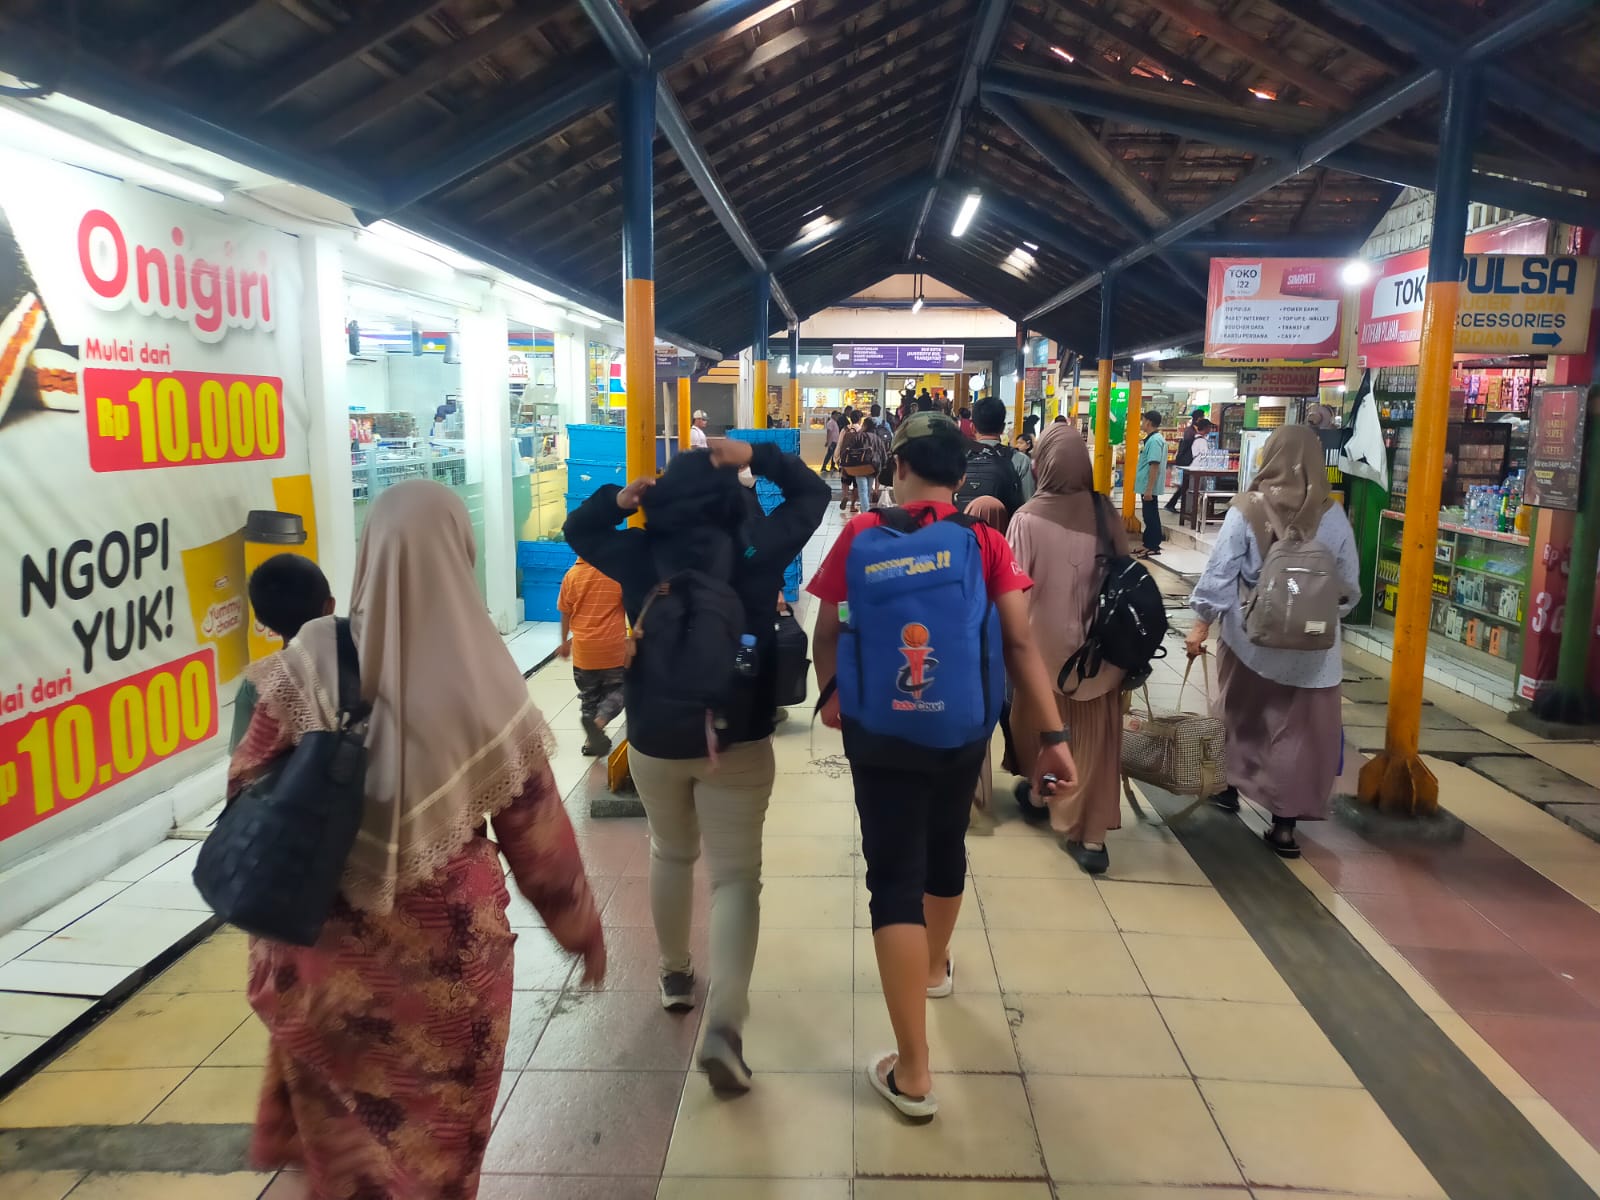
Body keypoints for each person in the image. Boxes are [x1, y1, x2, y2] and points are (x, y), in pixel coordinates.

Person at [229, 481, 605, 1199]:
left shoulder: (309, 659)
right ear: (462, 553)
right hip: (445, 970)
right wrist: (581, 929)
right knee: (438, 1148)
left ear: (369, 551)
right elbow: (537, 838)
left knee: (345, 1152)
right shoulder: (485, 678)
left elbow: (246, 785)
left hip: (320, 959)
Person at [809, 411, 1077, 1121]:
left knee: (892, 878)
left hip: (879, 733)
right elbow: (1020, 645)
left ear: (898, 467)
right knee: (945, 845)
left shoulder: (860, 534)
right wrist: (1053, 736)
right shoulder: (986, 541)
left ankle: (915, 1071)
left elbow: (827, 630)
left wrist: (834, 696)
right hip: (962, 730)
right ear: (960, 476)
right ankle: (933, 967)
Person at [565, 438, 829, 1092]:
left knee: (671, 852)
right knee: (736, 879)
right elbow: (814, 492)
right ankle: (726, 1027)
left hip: (654, 735)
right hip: (736, 737)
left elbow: (579, 529)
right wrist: (757, 456)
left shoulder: (637, 551)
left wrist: (620, 499)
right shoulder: (758, 547)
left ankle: (676, 976)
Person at [1185, 425, 1360, 857]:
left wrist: (1202, 623)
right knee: (1298, 735)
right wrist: (1311, 619)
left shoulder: (1248, 508)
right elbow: (1348, 587)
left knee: (1238, 714)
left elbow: (1221, 572)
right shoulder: (1333, 515)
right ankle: (1284, 826)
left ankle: (1227, 787)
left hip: (1251, 642)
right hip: (1314, 655)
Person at [1007, 424, 1128, 874]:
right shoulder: (1105, 512)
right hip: (1102, 652)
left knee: (1045, 727)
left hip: (1045, 652)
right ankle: (1091, 839)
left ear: (1041, 466)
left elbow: (1014, 592)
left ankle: (1043, 793)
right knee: (1096, 741)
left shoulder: (1027, 519)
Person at [229, 554, 334, 751]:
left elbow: (243, 759)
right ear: (329, 606)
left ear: (262, 621)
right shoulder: (361, 661)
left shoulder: (255, 685)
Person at [557, 556, 627, 757]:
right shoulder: (616, 573)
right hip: (612, 649)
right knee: (622, 690)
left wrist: (564, 642)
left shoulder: (572, 575)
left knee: (589, 698)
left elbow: (565, 612)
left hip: (584, 652)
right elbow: (631, 606)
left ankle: (590, 742)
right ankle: (599, 722)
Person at [971, 395, 1035, 506]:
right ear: (1002, 428)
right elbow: (1028, 504)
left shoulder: (959, 459)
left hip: (962, 518)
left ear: (972, 428)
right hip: (1008, 517)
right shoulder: (1020, 460)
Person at [1135, 410, 1167, 557]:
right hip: (1146, 485)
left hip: (1149, 486)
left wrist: (1149, 489)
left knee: (1151, 516)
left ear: (1148, 422)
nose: (1142, 423)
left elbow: (1154, 465)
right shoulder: (1152, 439)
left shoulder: (1155, 441)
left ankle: (1153, 546)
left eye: (1143, 420)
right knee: (1148, 515)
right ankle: (1147, 544)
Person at [1165, 408, 1208, 512]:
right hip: (1188, 462)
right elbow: (1190, 446)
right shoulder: (1190, 431)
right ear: (1198, 418)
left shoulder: (1192, 430)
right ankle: (1179, 506)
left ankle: (1175, 505)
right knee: (1186, 485)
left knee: (1186, 485)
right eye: (1202, 417)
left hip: (1190, 462)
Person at [836, 413, 879, 514]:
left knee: (845, 481)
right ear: (860, 419)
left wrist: (837, 458)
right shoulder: (862, 430)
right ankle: (853, 505)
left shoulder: (845, 429)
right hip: (859, 462)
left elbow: (839, 444)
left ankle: (845, 496)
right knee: (856, 485)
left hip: (846, 460)